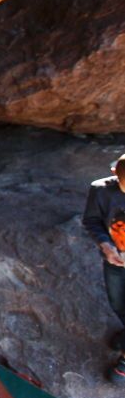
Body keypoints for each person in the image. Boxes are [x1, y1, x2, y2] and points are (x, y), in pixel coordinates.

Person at [82, 154, 125, 383]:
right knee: (117, 302)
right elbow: (91, 221)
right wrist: (107, 247)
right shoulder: (101, 191)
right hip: (115, 261)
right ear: (114, 173)